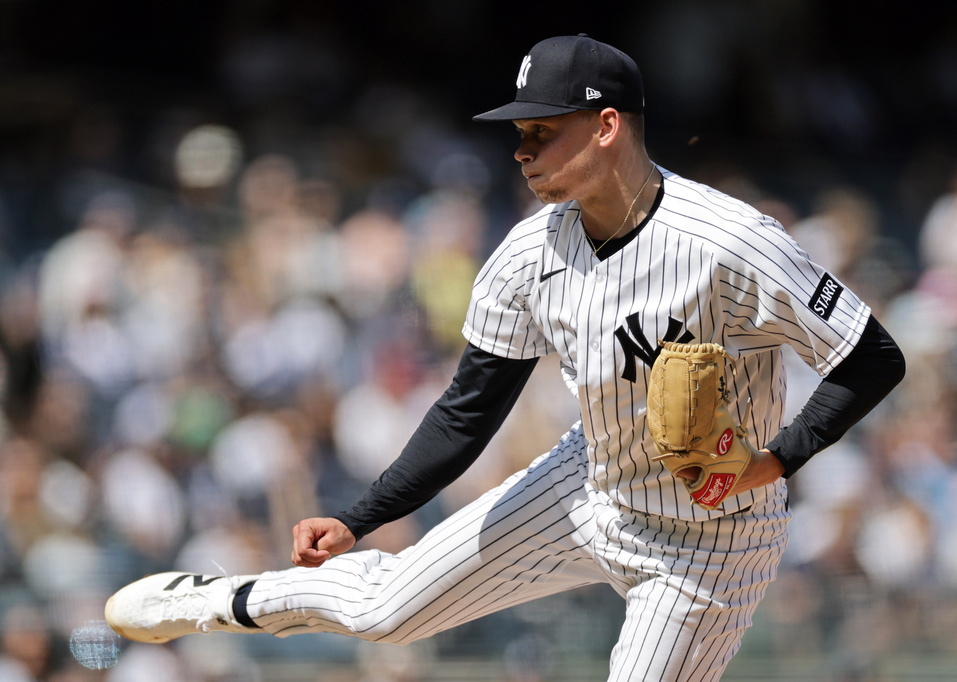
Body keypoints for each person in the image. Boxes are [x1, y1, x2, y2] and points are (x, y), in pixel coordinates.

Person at [105, 35, 906, 681]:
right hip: (586, 482)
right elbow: (469, 412)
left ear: (606, 126)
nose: (521, 153)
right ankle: (228, 599)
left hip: (710, 541)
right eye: (519, 136)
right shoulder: (530, 252)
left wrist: (775, 461)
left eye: (541, 132)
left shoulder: (731, 243)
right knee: (388, 614)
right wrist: (358, 518)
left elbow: (873, 356)